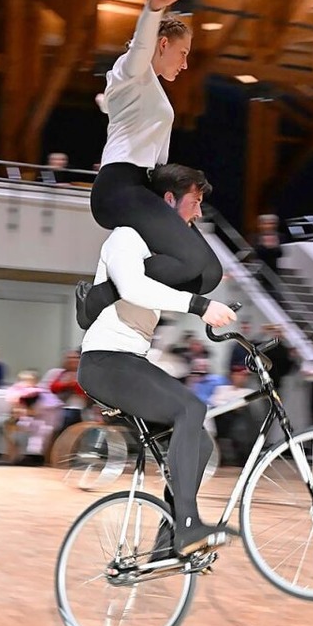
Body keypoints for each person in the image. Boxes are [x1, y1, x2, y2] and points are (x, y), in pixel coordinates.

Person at [77, 169, 237, 557]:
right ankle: (186, 527)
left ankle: (168, 542)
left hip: (129, 360)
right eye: (194, 202)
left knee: (197, 442)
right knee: (191, 407)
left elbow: (193, 273)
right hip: (105, 361)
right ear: (167, 200)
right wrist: (201, 307)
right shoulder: (126, 237)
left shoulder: (162, 255)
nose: (199, 212)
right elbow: (133, 288)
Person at [76, 0, 222, 329]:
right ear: (162, 44)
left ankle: (115, 296)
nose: (186, 64)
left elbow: (117, 107)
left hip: (142, 189)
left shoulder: (146, 90)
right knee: (189, 261)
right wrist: (153, 7)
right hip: (119, 189)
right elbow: (139, 50)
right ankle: (99, 299)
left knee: (209, 273)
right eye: (183, 52)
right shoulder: (132, 70)